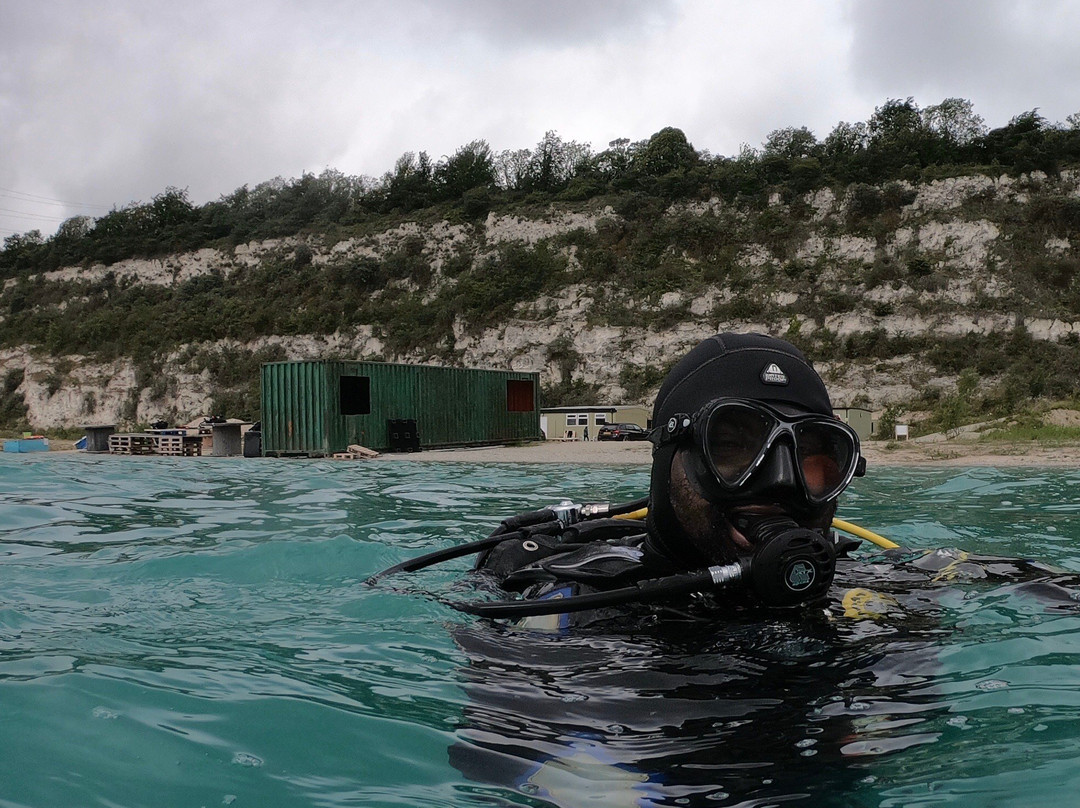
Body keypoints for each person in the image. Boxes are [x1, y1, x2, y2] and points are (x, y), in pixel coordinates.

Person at [466, 332, 866, 628]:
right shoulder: (577, 613)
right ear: (669, 458)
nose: (780, 481)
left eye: (811, 451)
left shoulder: (873, 591)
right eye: (729, 446)